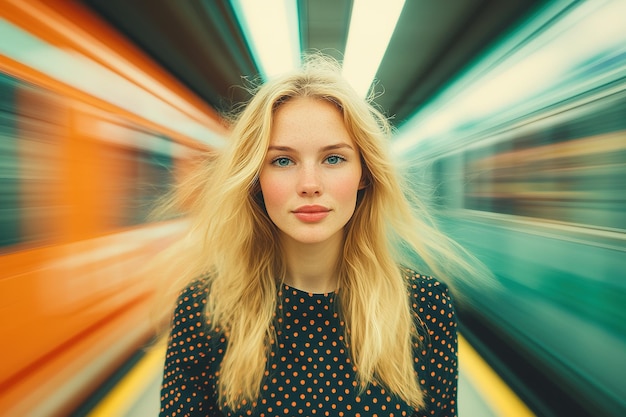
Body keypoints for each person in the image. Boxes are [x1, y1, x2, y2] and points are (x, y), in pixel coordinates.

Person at [156, 54, 481, 417]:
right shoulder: (205, 311)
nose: (309, 185)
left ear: (364, 175)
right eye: (282, 161)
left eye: (333, 159)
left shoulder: (425, 308)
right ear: (255, 180)